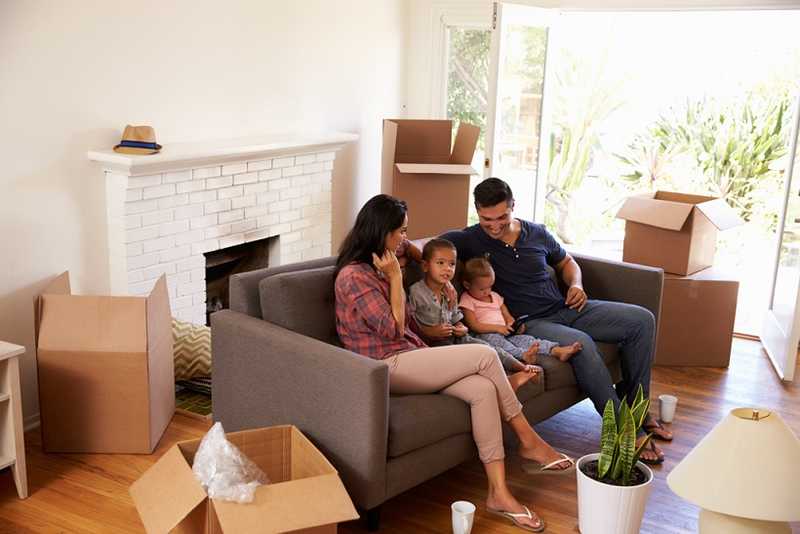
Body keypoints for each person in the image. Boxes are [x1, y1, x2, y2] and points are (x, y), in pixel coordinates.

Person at [335, 194, 574, 532]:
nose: (404, 238)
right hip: (384, 365)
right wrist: (394, 280)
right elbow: (394, 328)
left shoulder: (389, 253)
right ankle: (528, 440)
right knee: (484, 354)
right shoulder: (354, 276)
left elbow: (422, 253)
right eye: (400, 231)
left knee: (481, 390)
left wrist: (435, 272)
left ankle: (499, 493)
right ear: (381, 231)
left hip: (412, 355)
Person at [441, 178, 672, 464]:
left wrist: (576, 284)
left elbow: (566, 262)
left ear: (513, 206)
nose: (495, 226)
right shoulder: (470, 239)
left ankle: (639, 408)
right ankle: (624, 429)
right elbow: (427, 250)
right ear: (477, 212)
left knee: (641, 320)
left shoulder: (536, 232)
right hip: (532, 323)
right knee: (582, 344)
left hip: (565, 307)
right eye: (487, 220)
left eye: (502, 217)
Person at [407, 238, 541, 392]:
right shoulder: (416, 292)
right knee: (469, 360)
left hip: (459, 337)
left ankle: (522, 367)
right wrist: (429, 331)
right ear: (425, 266)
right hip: (437, 344)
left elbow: (456, 317)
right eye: (440, 263)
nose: (447, 269)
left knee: (489, 348)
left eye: (452, 264)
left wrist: (461, 327)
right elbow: (409, 324)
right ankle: (506, 380)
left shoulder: (450, 291)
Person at [459, 256, 582, 365]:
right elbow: (474, 325)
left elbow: (506, 315)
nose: (487, 291)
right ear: (467, 285)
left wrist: (511, 322)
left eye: (490, 286)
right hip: (485, 335)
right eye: (482, 289)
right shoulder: (467, 299)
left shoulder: (495, 296)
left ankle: (556, 351)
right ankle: (523, 355)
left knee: (527, 340)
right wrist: (496, 328)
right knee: (501, 344)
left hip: (505, 332)